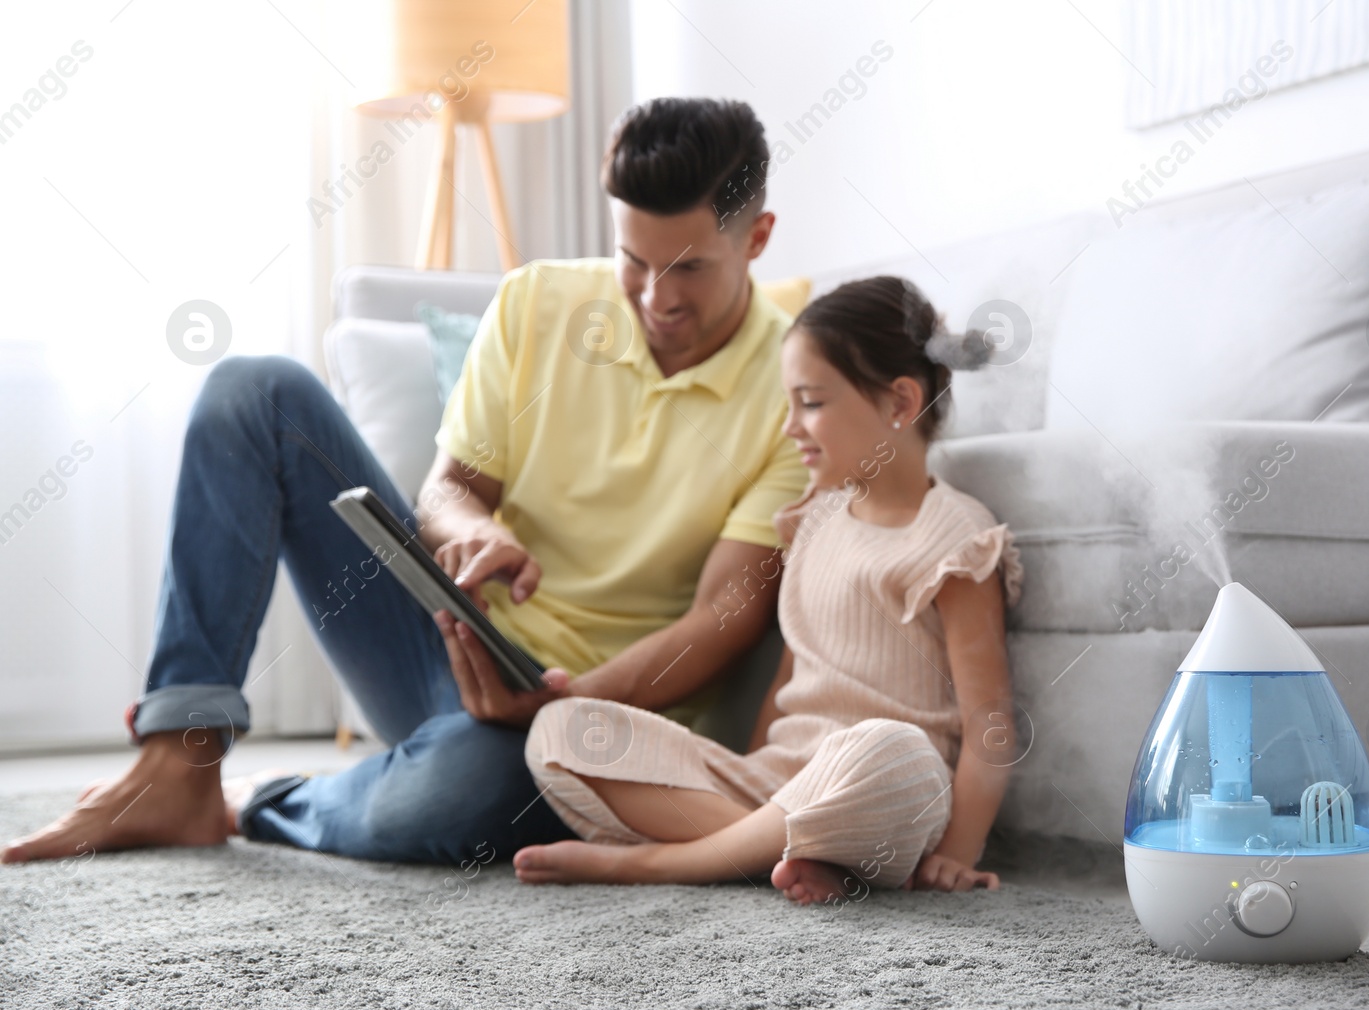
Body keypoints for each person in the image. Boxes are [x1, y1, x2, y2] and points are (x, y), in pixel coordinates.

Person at [2, 97, 808, 868]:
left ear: (759, 235)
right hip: (446, 649)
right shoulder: (539, 301)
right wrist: (473, 530)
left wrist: (563, 707)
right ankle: (179, 760)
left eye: (689, 268)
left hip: (593, 725)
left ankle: (261, 800)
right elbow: (447, 492)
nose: (656, 297)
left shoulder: (796, 387)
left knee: (454, 798)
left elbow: (720, 622)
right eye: (634, 260)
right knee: (254, 392)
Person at [513, 276, 1024, 902]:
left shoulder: (955, 540)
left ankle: (662, 863)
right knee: (562, 729)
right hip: (779, 784)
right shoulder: (812, 519)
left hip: (883, 789)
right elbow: (789, 679)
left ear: (899, 403)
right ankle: (788, 851)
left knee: (893, 749)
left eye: (810, 402)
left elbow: (991, 725)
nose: (790, 428)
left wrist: (957, 853)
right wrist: (755, 771)